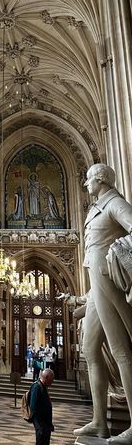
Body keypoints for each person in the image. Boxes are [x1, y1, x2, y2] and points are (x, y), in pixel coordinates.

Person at [73, 163, 132, 443]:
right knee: (90, 349)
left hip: (108, 281)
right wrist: (82, 298)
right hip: (96, 285)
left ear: (100, 179)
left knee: (121, 350)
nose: (86, 184)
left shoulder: (115, 203)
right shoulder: (97, 208)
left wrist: (117, 257)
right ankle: (99, 422)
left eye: (88, 180)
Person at [29, 368, 54, 445]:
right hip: (40, 422)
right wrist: (39, 425)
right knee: (41, 441)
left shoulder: (43, 387)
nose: (51, 382)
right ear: (46, 377)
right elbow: (33, 406)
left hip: (45, 423)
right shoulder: (37, 387)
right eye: (51, 380)